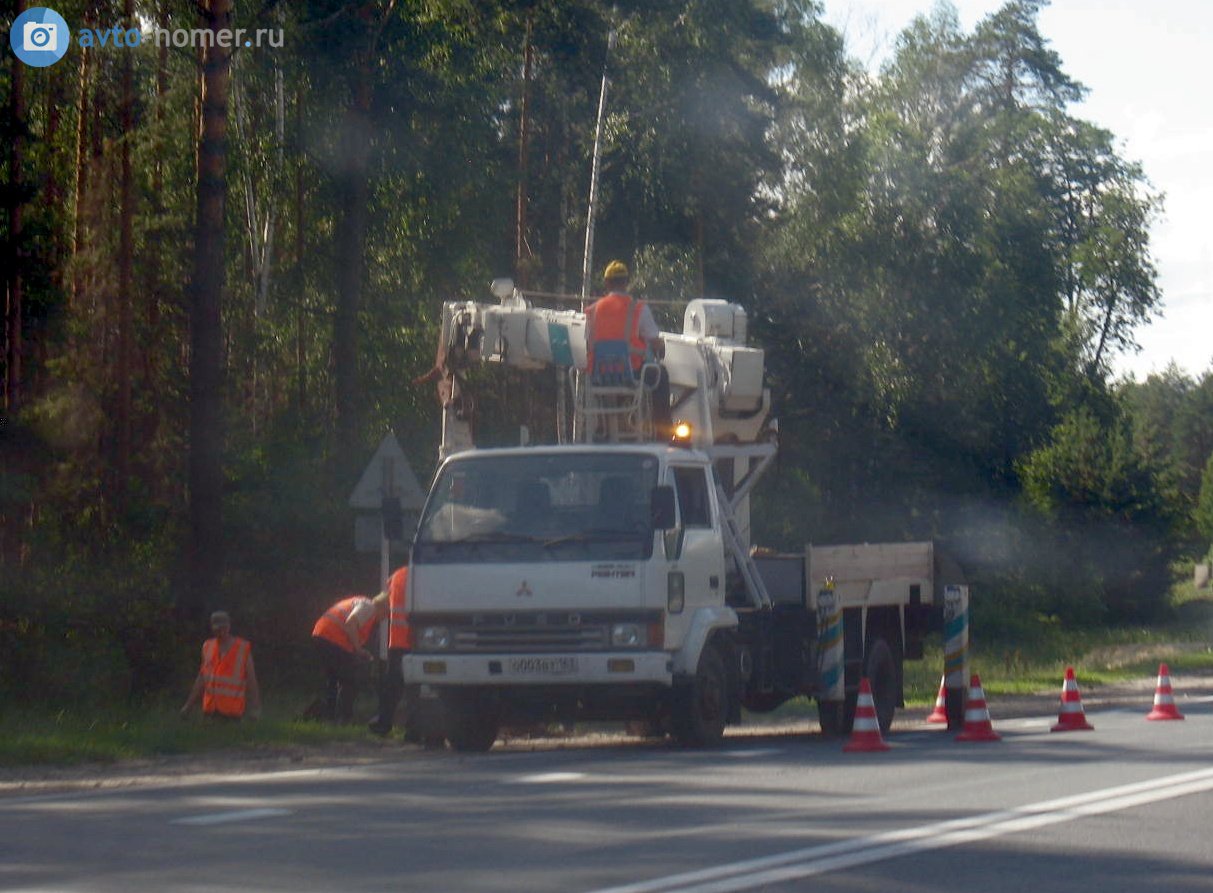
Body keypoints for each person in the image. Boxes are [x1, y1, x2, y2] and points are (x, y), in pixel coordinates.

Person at [585, 260, 672, 440]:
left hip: (599, 376)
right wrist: (660, 347)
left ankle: (605, 428)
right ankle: (663, 433)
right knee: (661, 374)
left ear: (607, 283)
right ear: (626, 283)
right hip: (630, 374)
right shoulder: (638, 308)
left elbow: (588, 342)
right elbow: (655, 341)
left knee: (616, 383)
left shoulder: (592, 311)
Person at [310, 592, 388, 724]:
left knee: (333, 679)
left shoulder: (362, 603)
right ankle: (344, 718)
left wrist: (358, 650)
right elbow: (351, 623)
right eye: (387, 613)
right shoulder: (369, 607)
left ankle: (330, 716)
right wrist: (358, 649)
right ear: (383, 607)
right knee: (350, 679)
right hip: (333, 638)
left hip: (323, 635)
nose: (385, 618)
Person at [180, 610, 261, 721]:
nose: (221, 631)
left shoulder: (242, 648)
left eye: (224, 627)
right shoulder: (207, 647)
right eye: (218, 628)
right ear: (212, 628)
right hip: (209, 713)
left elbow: (251, 680)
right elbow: (202, 679)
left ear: (229, 626)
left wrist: (255, 709)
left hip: (232, 715)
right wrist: (188, 707)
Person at [368, 565, 410, 737]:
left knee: (392, 687)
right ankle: (416, 729)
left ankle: (383, 724)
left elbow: (387, 599)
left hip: (398, 641)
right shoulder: (431, 572)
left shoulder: (398, 575)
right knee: (419, 688)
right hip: (425, 641)